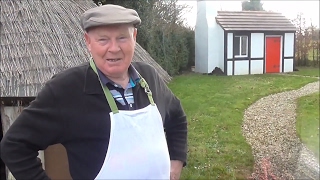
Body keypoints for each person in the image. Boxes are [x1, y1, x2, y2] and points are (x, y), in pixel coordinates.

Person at [0, 4, 188, 180]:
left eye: (122, 37)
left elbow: (177, 116)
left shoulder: (149, 77)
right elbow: (14, 146)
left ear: (134, 37)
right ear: (88, 42)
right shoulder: (66, 89)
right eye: (103, 40)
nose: (114, 49)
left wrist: (177, 158)